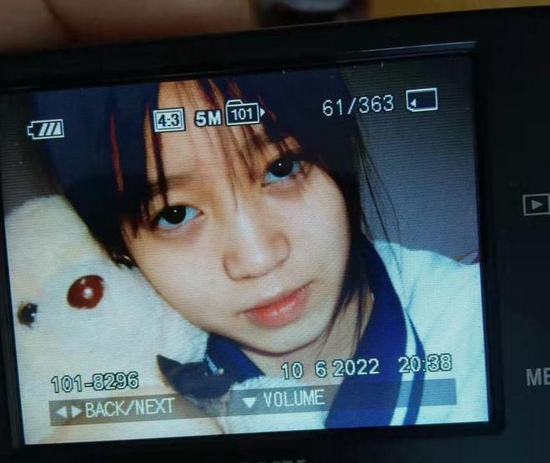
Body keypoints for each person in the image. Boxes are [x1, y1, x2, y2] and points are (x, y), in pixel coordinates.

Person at [31, 65, 489, 430]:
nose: (257, 259)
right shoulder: (122, 393)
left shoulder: (479, 326)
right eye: (175, 214)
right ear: (121, 248)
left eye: (281, 168)